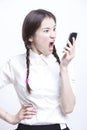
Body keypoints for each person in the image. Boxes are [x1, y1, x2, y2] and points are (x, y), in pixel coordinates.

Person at [0, 9, 76, 130]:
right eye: (46, 30)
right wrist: (10, 118)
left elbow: (68, 108)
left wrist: (64, 68)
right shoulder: (14, 63)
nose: (53, 35)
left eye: (54, 29)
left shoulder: (63, 63)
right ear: (30, 37)